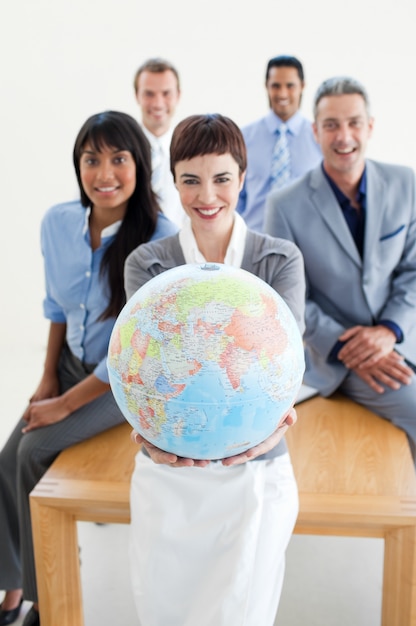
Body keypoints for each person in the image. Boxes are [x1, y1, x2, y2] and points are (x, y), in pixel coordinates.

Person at [264, 76, 416, 626]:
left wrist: (388, 329)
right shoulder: (286, 204)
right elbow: (289, 298)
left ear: (370, 126)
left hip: (404, 340)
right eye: (332, 125)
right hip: (336, 357)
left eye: (354, 123)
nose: (344, 136)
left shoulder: (404, 183)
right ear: (315, 131)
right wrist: (353, 344)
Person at [124, 113, 305, 626]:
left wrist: (271, 427)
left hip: (255, 466)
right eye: (190, 180)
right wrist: (146, 431)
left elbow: (289, 364)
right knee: (162, 609)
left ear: (243, 178)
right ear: (173, 181)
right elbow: (135, 366)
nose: (208, 195)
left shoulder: (278, 259)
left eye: (222, 178)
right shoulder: (148, 264)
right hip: (167, 472)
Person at [0, 111, 178, 626]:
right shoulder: (57, 222)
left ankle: (45, 593)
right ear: (77, 165)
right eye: (91, 159)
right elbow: (57, 307)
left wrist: (63, 405)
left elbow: (131, 351)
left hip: (121, 381)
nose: (105, 173)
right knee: (3, 462)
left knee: (32, 452)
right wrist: (48, 376)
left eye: (118, 159)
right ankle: (10, 587)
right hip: (71, 367)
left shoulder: (159, 239)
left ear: (140, 166)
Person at [236, 55, 321, 232]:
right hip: (254, 240)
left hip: (305, 241)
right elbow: (234, 194)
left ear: (302, 86)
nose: (282, 93)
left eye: (290, 86)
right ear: (266, 86)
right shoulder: (243, 137)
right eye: (276, 86)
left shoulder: (319, 137)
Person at [134, 57, 185, 227]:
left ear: (178, 95)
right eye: (149, 94)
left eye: (166, 93)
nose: (157, 103)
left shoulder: (190, 151)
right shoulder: (118, 150)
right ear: (137, 96)